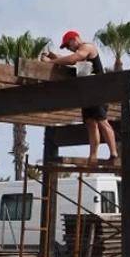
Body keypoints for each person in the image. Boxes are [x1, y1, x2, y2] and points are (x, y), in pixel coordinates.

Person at [44, 30, 118, 164]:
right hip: (87, 91)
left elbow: (73, 59)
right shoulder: (81, 52)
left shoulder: (87, 47)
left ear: (75, 39)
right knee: (90, 122)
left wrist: (51, 61)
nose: (68, 48)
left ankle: (113, 153)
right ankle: (93, 155)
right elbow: (68, 59)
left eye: (68, 45)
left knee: (102, 121)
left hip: (98, 89)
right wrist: (53, 56)